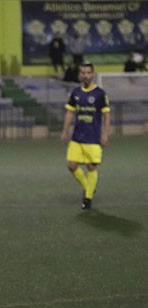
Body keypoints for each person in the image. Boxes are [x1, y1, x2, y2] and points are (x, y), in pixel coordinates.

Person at [60, 63, 110, 210]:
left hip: (93, 137)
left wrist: (105, 134)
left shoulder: (100, 94)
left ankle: (87, 199)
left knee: (91, 167)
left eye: (88, 73)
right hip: (77, 136)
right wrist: (64, 130)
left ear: (92, 74)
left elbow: (106, 114)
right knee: (71, 165)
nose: (86, 75)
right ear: (80, 75)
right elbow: (70, 112)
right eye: (83, 73)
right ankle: (89, 187)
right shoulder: (76, 93)